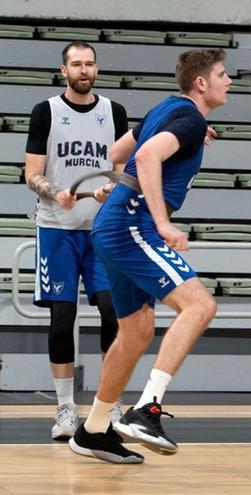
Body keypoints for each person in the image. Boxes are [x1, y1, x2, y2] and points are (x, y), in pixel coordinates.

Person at [68, 48, 230, 464]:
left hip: (114, 223)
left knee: (136, 330)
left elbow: (118, 154)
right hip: (132, 225)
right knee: (200, 305)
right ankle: (147, 410)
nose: (227, 81)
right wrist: (161, 222)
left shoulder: (170, 110)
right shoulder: (190, 119)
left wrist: (120, 184)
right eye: (222, 74)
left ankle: (94, 430)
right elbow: (145, 156)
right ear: (201, 83)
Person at [24, 41, 128, 441]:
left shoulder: (113, 112)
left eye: (89, 64)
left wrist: (111, 190)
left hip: (101, 229)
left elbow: (122, 170)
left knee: (111, 313)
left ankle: (109, 403)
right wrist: (54, 191)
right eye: (76, 64)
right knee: (62, 317)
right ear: (63, 70)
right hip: (56, 229)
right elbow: (31, 173)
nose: (83, 70)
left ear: (96, 70)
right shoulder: (45, 111)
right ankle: (66, 408)